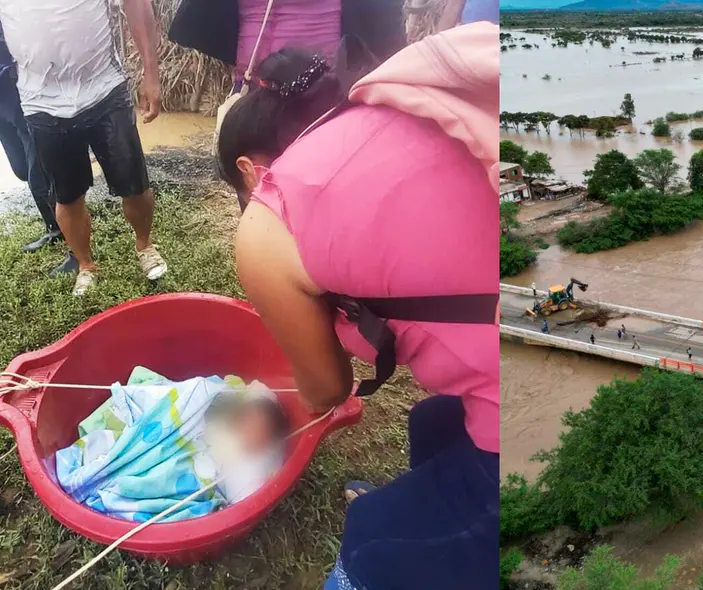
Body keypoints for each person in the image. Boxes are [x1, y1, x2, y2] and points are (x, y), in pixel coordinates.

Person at [216, 23, 498, 590]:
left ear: (250, 170)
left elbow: (325, 390)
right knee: (433, 422)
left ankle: (420, 536)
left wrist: (253, 418)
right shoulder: (396, 102)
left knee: (370, 538)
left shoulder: (270, 216)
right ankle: (435, 508)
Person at [0, 0, 168, 296]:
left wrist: (151, 73)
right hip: (40, 100)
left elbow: (136, 3)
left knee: (135, 185)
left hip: (104, 87)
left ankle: (145, 245)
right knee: (67, 196)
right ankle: (86, 265)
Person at [0, 19, 78, 274]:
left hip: (20, 96)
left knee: (37, 173)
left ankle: (66, 234)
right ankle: (55, 225)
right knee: (21, 168)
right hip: (2, 108)